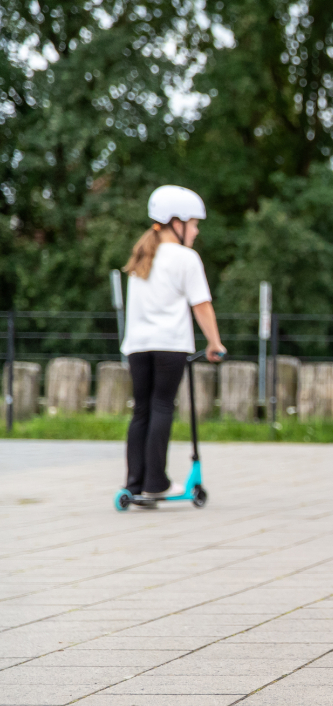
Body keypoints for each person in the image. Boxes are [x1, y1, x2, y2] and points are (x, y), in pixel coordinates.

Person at [119, 186, 226, 507]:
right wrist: (215, 343)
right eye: (193, 224)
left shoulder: (141, 257)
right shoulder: (186, 258)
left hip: (138, 347)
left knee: (141, 411)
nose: (195, 230)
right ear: (175, 222)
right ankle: (156, 482)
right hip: (169, 345)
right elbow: (202, 305)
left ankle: (134, 483)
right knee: (162, 406)